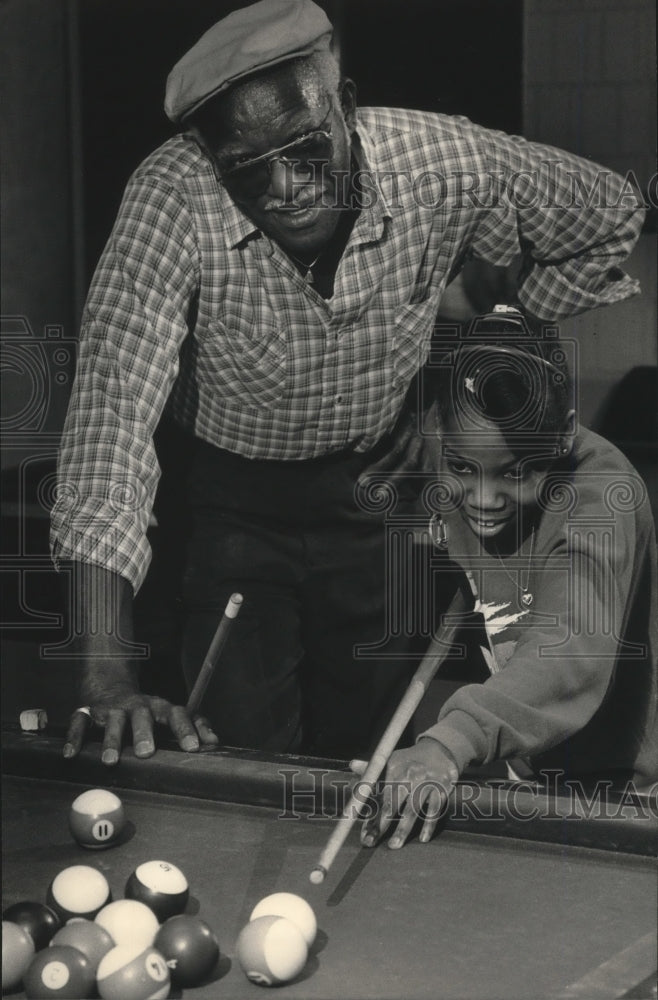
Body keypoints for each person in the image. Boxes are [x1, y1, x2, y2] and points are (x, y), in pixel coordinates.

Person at [51, 0, 646, 765]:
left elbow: (608, 213)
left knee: (365, 751)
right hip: (234, 509)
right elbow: (110, 428)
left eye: (304, 148)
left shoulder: (439, 163)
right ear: (209, 156)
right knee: (238, 755)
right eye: (246, 168)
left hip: (378, 497)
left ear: (348, 107)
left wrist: (486, 337)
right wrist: (105, 679)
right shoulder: (172, 196)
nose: (285, 188)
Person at [355, 312, 657, 851]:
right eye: (463, 468)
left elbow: (569, 648)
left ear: (563, 432)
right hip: (535, 774)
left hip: (635, 791)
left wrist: (451, 742)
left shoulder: (603, 494)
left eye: (517, 472)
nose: (484, 498)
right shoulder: (448, 456)